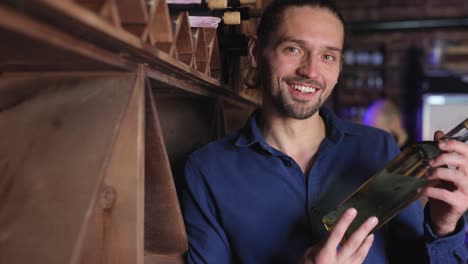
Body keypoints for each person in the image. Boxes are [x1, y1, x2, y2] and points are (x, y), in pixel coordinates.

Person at [180, 0, 468, 263]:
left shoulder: (377, 148)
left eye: (328, 56)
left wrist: (444, 227)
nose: (311, 71)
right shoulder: (207, 170)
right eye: (293, 49)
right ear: (256, 53)